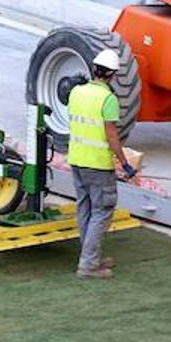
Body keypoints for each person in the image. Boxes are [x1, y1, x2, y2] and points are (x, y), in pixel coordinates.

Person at [67, 50, 136, 280]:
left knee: (85, 209)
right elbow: (112, 137)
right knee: (102, 211)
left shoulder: (77, 92)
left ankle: (91, 256)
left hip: (77, 160)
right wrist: (125, 164)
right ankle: (88, 265)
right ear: (113, 75)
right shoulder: (108, 100)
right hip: (97, 165)